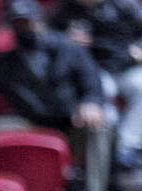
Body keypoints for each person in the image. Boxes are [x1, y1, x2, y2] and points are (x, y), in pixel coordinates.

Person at [0, 0, 111, 191]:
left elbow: (92, 84)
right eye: (18, 23)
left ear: (40, 21)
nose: (25, 28)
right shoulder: (4, 62)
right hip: (29, 125)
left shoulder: (70, 49)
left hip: (70, 125)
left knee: (100, 128)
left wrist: (91, 103)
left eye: (28, 22)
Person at [49, 0, 142, 169]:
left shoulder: (123, 5)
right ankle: (109, 149)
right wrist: (67, 41)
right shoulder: (65, 12)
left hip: (126, 66)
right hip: (94, 68)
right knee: (102, 93)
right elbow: (48, 41)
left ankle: (127, 146)